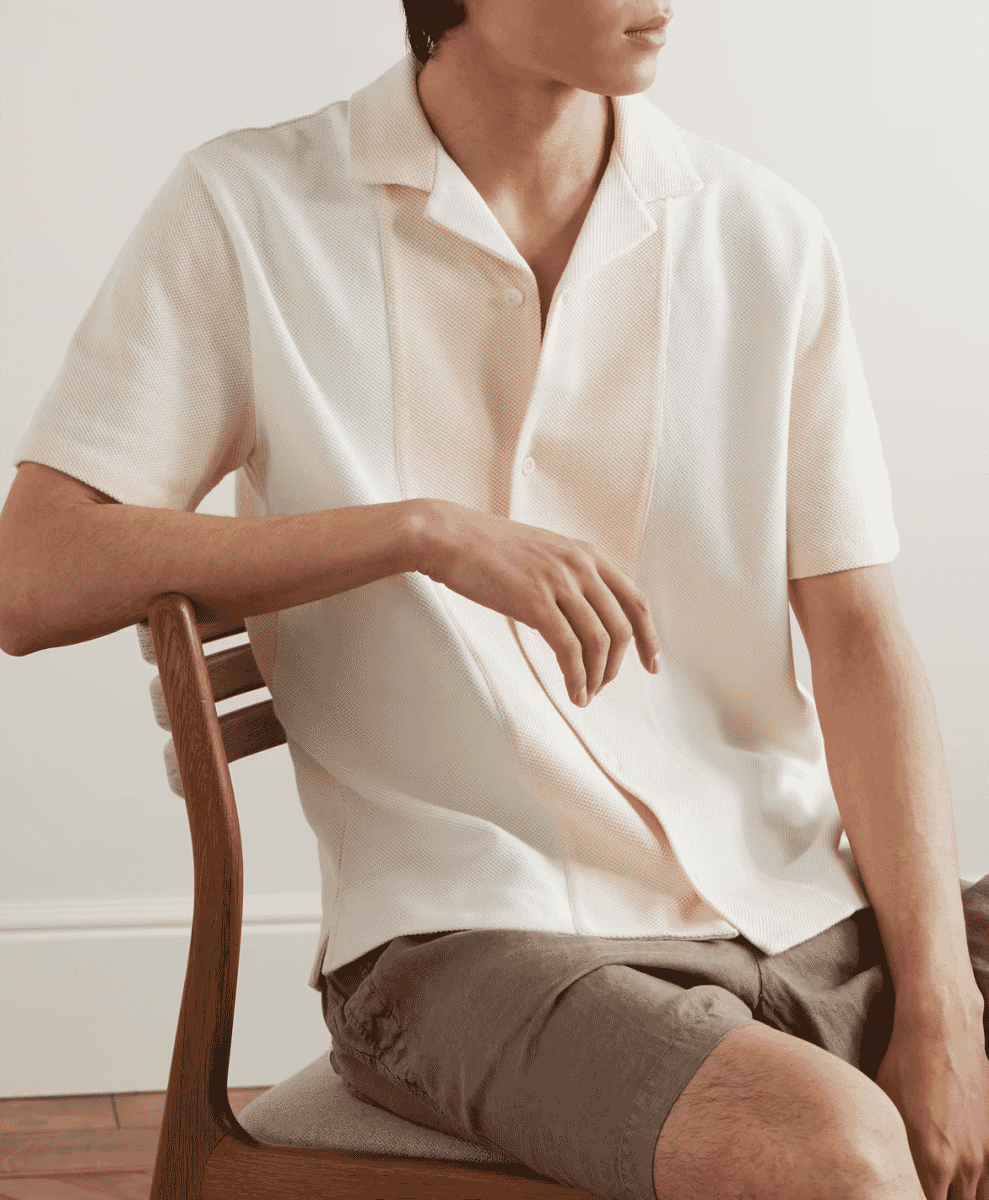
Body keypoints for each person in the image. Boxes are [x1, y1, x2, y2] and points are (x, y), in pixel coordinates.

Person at [1, 1, 987, 1197]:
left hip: (790, 897)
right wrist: (419, 533)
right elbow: (31, 574)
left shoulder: (760, 234)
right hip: (464, 941)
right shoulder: (252, 212)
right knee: (832, 1151)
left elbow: (856, 637)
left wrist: (939, 1009)